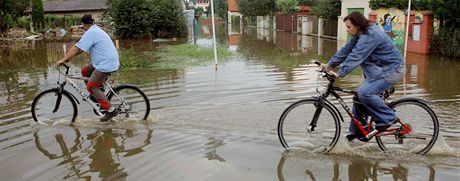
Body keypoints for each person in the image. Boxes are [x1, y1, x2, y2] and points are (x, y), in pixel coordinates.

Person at [319, 12, 405, 141]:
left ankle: (388, 118)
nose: (347, 30)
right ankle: (357, 131)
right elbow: (347, 50)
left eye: (349, 27)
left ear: (357, 25)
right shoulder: (361, 34)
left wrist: (340, 72)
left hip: (393, 71)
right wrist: (329, 65)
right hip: (380, 71)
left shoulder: (370, 35)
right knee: (358, 96)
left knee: (364, 93)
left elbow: (356, 56)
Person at [56, 14, 120, 122]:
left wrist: (63, 59)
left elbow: (76, 48)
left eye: (82, 25)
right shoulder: (95, 30)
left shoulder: (91, 32)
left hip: (106, 64)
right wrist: (67, 58)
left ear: (84, 24)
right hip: (103, 61)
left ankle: (111, 110)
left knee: (91, 86)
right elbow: (81, 49)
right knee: (85, 71)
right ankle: (96, 96)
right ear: (93, 22)